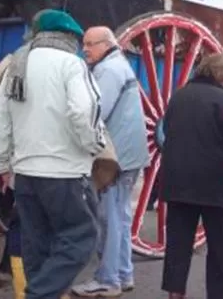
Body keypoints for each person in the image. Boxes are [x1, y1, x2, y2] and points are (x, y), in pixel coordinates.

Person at [0, 9, 103, 299]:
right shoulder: (71, 65)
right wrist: (93, 144)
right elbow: (83, 111)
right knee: (81, 239)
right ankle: (37, 295)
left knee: (36, 248)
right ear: (68, 37)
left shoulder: (17, 64)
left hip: (25, 175)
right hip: (64, 173)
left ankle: (37, 290)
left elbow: (0, 120)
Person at [159, 54, 223, 299]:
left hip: (177, 182)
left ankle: (175, 293)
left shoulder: (178, 97)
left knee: (178, 244)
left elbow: (165, 132)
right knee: (218, 246)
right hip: (213, 183)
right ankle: (217, 295)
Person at [72, 26, 148, 298]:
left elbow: (96, 111)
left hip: (116, 158)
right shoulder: (119, 64)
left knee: (109, 218)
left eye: (90, 44)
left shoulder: (107, 71)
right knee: (121, 216)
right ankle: (124, 273)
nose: (85, 49)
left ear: (106, 45)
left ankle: (107, 279)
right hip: (130, 154)